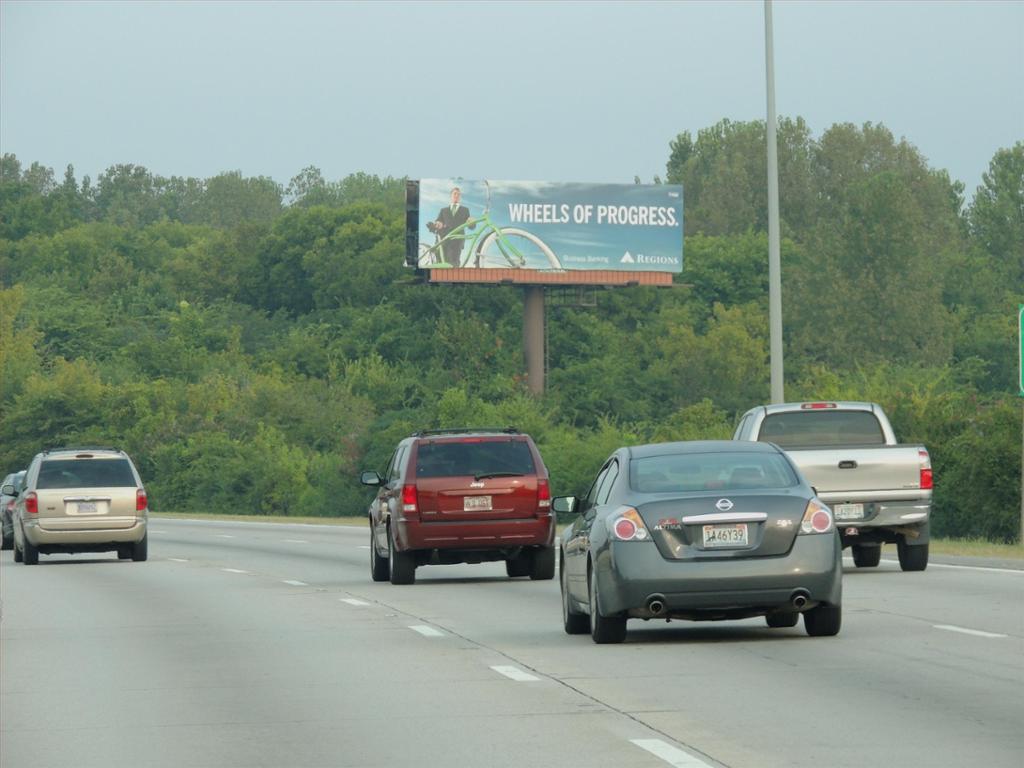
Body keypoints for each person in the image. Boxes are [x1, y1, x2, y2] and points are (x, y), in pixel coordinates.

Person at [427, 186, 473, 265]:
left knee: (453, 264)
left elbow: (471, 227)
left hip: (457, 240)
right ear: (451, 196)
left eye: (459, 194)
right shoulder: (443, 210)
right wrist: (438, 224)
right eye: (455, 194)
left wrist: (472, 222)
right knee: (439, 263)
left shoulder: (465, 210)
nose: (457, 196)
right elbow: (438, 221)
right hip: (442, 239)